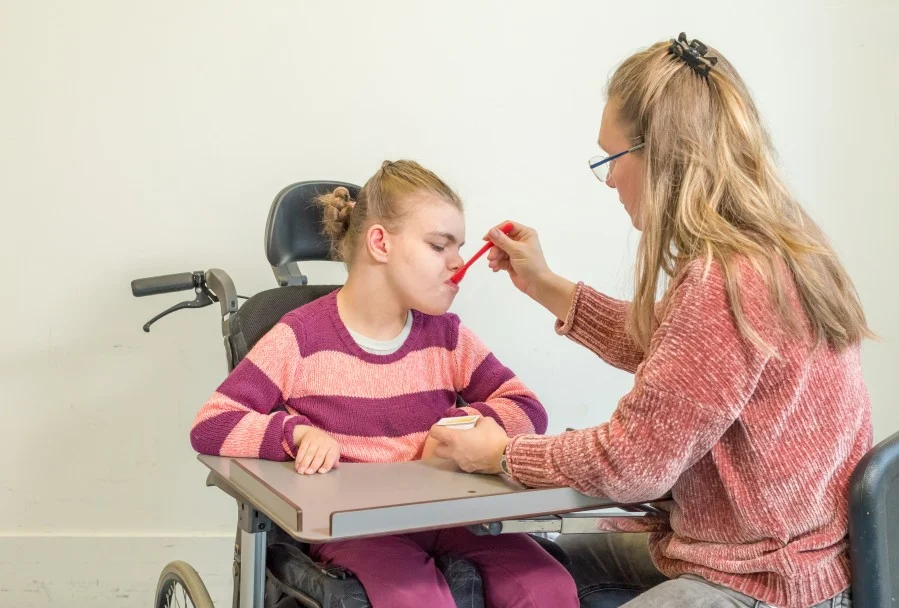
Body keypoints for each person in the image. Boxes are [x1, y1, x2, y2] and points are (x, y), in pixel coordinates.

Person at [428, 34, 872, 608]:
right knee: (537, 565)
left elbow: (630, 463)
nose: (609, 180)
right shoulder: (782, 249)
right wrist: (543, 283)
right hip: (792, 560)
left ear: (662, 153)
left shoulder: (726, 281)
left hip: (763, 585)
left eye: (612, 159)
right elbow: (682, 357)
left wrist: (501, 455)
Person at [190, 159, 578, 608]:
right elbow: (212, 423)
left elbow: (527, 407)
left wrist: (464, 425)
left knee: (547, 585)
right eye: (439, 245)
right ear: (380, 242)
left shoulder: (447, 336)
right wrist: (293, 433)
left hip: (449, 513)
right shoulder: (300, 337)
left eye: (460, 247)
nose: (458, 264)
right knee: (416, 599)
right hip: (358, 527)